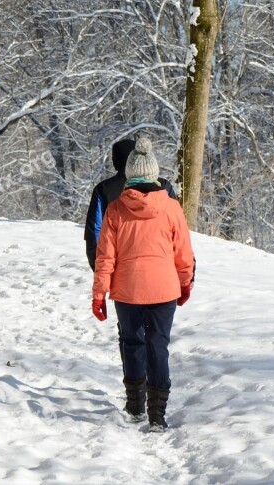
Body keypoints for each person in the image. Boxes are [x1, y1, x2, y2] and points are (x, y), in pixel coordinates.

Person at [91, 137, 195, 431]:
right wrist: (185, 284)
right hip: (164, 289)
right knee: (158, 346)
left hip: (127, 290)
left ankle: (135, 405)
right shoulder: (172, 208)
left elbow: (105, 259)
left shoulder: (114, 210)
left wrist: (99, 294)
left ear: (129, 174)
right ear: (153, 174)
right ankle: (158, 414)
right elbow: (184, 254)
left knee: (132, 343)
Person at [84, 139, 177, 271]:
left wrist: (99, 268)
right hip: (161, 267)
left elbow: (94, 232)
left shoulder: (103, 189)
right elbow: (177, 229)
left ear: (115, 161)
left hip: (120, 268)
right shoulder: (163, 186)